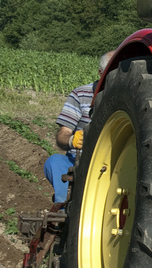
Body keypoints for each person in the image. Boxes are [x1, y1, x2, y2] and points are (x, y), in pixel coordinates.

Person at [43, 52, 114, 203]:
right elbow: (63, 133)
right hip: (78, 160)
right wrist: (71, 141)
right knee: (54, 162)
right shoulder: (81, 94)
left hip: (113, 163)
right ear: (101, 73)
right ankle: (63, 205)